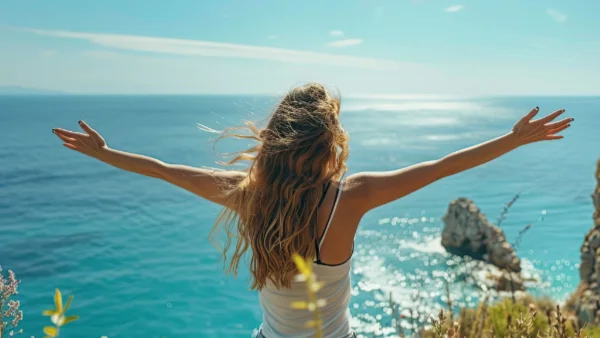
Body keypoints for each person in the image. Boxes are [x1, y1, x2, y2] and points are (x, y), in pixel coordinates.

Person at [52, 83, 573, 338]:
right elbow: (440, 167)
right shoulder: (352, 197)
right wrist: (512, 141)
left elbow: (167, 169)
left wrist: (107, 154)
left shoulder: (248, 193)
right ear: (332, 145)